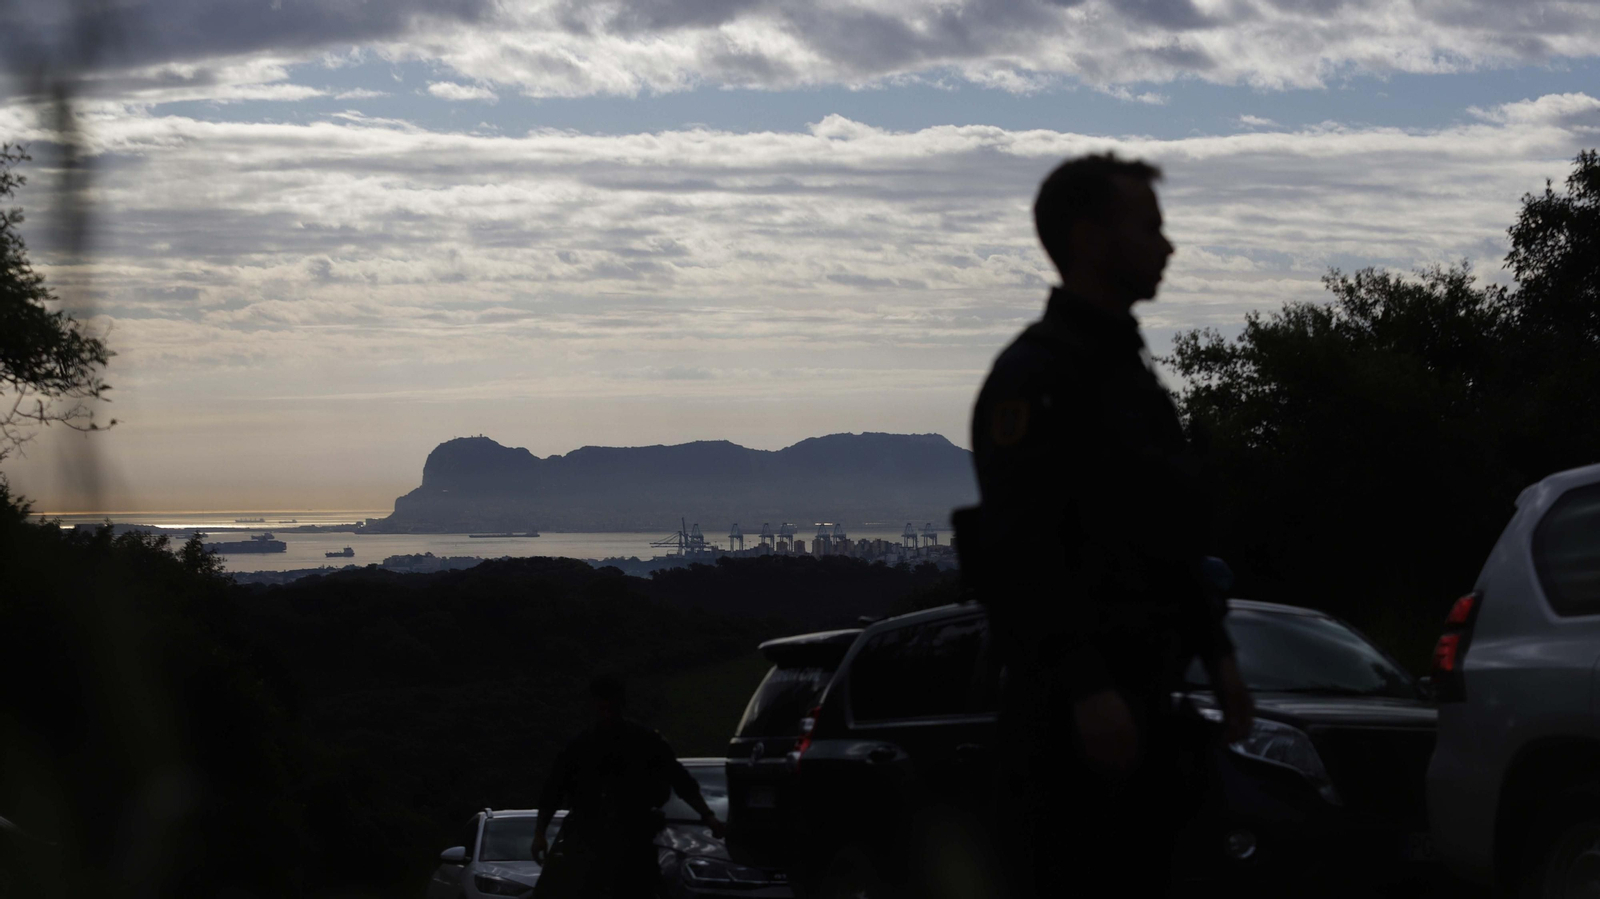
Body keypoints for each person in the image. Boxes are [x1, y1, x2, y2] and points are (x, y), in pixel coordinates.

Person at [969, 153, 1255, 898]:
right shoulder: (1035, 380)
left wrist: (1216, 651)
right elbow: (1022, 551)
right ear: (1092, 238)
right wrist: (1086, 686)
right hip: (1067, 732)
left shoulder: (1130, 381)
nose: (1168, 245)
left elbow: (1171, 538)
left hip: (1148, 710)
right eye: (1150, 227)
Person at [531, 675, 723, 898]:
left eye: (608, 706)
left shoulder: (643, 742)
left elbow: (680, 781)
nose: (605, 712)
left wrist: (708, 816)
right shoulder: (581, 746)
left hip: (630, 837)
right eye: (601, 706)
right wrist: (539, 834)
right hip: (594, 838)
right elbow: (553, 790)